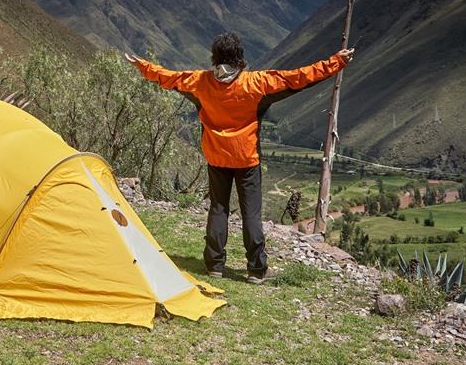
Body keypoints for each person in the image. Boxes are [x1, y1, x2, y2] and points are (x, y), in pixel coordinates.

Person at [125, 33, 354, 284]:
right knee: (251, 214)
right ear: (240, 59)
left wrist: (143, 66)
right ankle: (256, 270)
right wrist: (336, 62)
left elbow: (169, 77)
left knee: (218, 209)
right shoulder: (257, 83)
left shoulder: (200, 82)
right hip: (246, 159)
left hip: (216, 157)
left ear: (214, 58)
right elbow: (299, 78)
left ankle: (214, 266)